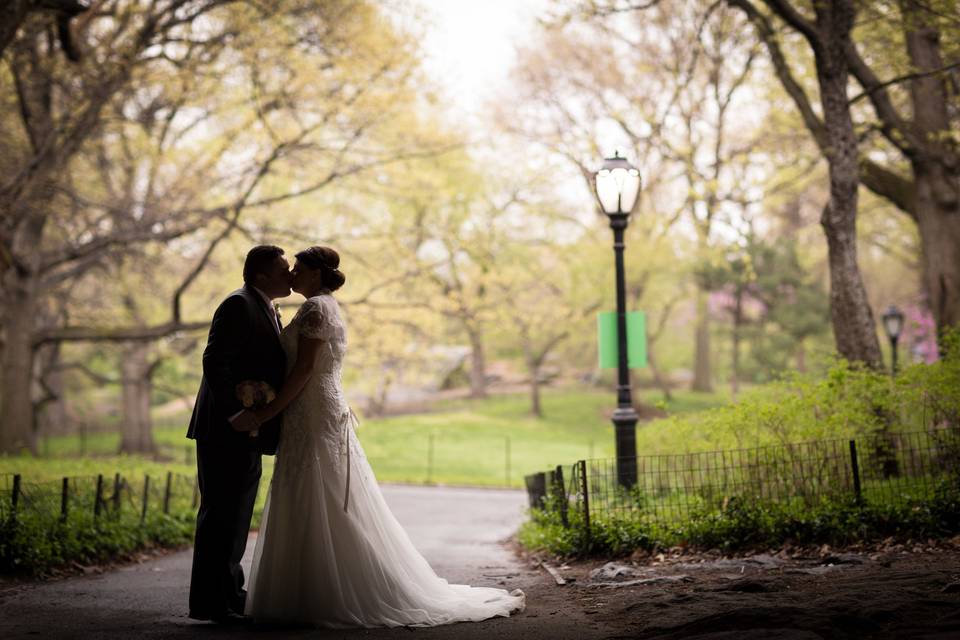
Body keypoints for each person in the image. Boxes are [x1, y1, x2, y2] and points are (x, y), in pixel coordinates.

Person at [231, 245, 525, 628]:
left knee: (320, 493)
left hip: (314, 410)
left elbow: (303, 372)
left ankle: (326, 594)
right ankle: (308, 591)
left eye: (298, 269)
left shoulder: (318, 308)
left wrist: (267, 411)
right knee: (319, 494)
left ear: (317, 274)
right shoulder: (321, 307)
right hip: (312, 410)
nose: (291, 275)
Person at [186, 245, 291, 623]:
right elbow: (215, 360)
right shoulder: (238, 304)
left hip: (244, 430)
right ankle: (212, 603)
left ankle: (229, 594)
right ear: (261, 276)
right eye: (282, 269)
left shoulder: (261, 304)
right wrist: (236, 414)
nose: (289, 274)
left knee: (235, 516)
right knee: (221, 515)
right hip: (225, 428)